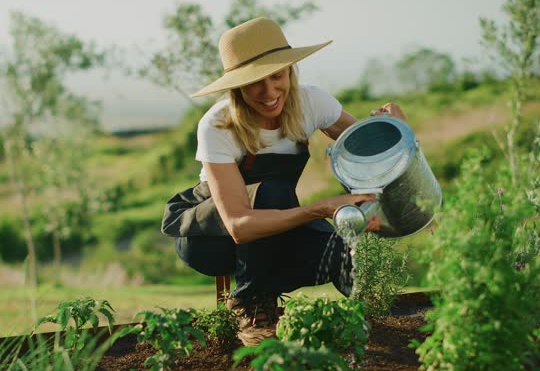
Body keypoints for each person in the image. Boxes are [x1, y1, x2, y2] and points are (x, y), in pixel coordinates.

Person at [161, 17, 407, 346]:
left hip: (274, 228)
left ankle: (371, 325)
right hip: (212, 238)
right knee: (275, 189)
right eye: (255, 83)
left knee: (339, 251)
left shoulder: (311, 102)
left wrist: (396, 132)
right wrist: (319, 209)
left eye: (277, 75)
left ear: (289, 70)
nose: (269, 91)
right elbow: (238, 225)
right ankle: (250, 305)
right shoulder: (217, 125)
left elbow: (365, 152)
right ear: (237, 87)